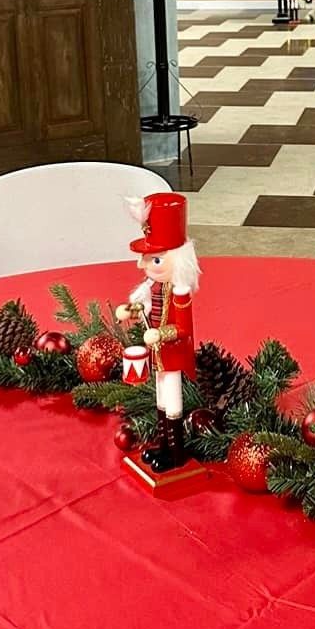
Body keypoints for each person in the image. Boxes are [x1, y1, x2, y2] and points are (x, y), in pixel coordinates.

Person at [115, 191, 199, 473]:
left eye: (156, 260)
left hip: (171, 355)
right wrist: (131, 309)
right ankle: (163, 444)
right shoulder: (152, 288)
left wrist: (160, 335)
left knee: (172, 400)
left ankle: (175, 452)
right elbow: (145, 308)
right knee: (161, 398)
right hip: (159, 356)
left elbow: (184, 328)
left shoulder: (179, 292)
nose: (144, 266)